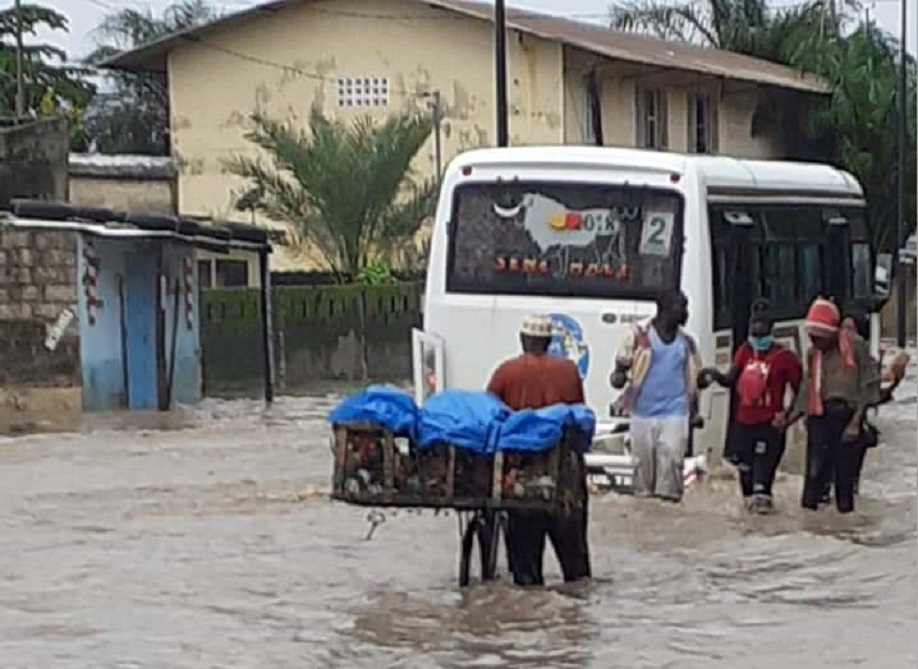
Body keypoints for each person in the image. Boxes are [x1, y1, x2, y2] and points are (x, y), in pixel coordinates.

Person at [486, 313, 591, 587]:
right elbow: (579, 416)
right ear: (548, 341)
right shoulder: (568, 371)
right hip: (563, 482)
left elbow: (491, 417)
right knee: (576, 570)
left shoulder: (506, 372)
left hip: (521, 482)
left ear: (523, 340)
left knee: (526, 577)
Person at [699, 299, 802, 513]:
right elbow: (730, 379)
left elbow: (801, 391)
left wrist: (788, 417)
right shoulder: (744, 351)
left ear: (771, 327)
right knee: (746, 484)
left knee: (761, 487)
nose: (757, 330)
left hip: (770, 427)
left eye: (762, 325)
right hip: (744, 426)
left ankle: (765, 534)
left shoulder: (785, 358)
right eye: (754, 324)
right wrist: (714, 375)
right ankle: (749, 536)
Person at [610, 289, 705, 503]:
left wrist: (695, 410)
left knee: (671, 464)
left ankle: (668, 515)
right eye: (681, 306)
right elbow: (619, 371)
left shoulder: (687, 342)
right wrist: (618, 377)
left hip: (676, 412)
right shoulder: (637, 336)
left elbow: (695, 379)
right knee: (642, 473)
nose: (685, 312)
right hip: (642, 413)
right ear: (664, 309)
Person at [793, 297, 880, 514]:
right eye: (812, 337)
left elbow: (868, 386)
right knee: (813, 479)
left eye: (819, 337)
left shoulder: (856, 347)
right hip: (820, 419)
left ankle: (844, 529)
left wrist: (855, 423)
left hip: (847, 417)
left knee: (844, 483)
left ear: (832, 333)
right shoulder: (814, 354)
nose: (815, 342)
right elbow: (807, 389)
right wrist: (789, 417)